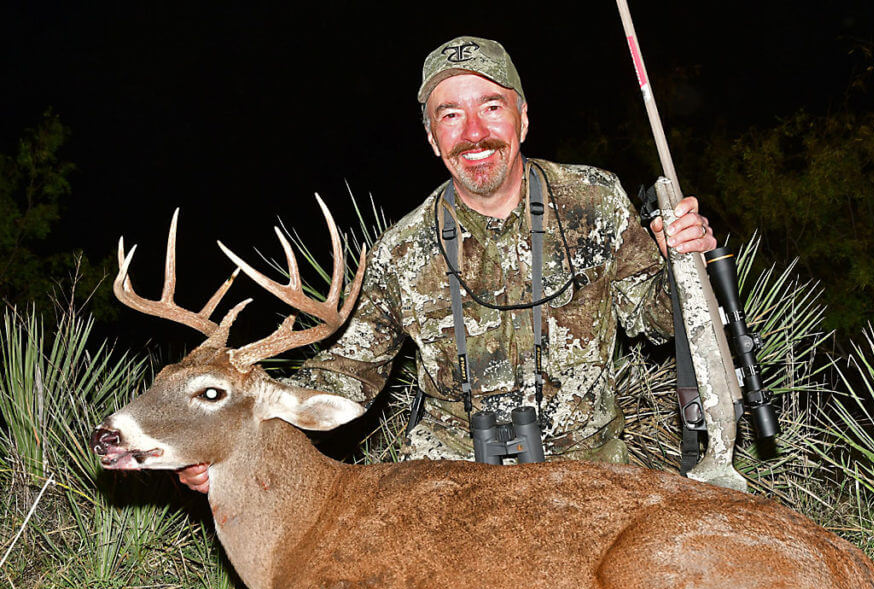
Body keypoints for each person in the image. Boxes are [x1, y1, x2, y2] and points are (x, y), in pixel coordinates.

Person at [179, 36, 714, 493]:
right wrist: (228, 433)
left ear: (523, 119)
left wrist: (685, 262)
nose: (474, 132)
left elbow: (658, 319)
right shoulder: (400, 251)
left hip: (588, 474)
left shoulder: (594, 200)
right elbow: (346, 377)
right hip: (447, 481)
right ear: (433, 138)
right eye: (451, 114)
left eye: (492, 106)